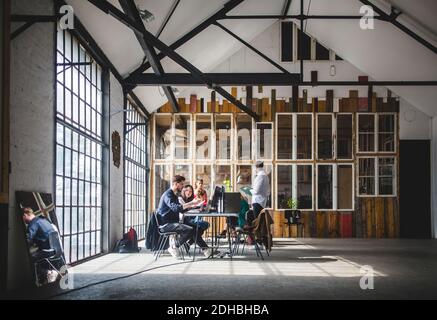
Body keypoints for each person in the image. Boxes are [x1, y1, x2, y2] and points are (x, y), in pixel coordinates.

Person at [156, 175, 213, 259]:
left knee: (195, 227)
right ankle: (174, 246)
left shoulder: (174, 195)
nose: (183, 187)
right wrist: (192, 203)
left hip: (173, 222)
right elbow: (176, 208)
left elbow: (181, 210)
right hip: (166, 224)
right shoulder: (168, 195)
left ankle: (206, 250)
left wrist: (193, 205)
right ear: (176, 184)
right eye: (182, 184)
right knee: (191, 229)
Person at [22, 207, 58, 283]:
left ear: (25, 215)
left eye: (23, 218)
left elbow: (27, 240)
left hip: (47, 251)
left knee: (27, 260)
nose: (24, 221)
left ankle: (49, 273)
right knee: (35, 253)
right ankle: (44, 276)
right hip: (56, 249)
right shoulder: (44, 219)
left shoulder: (33, 224)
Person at [178, 185, 211, 249]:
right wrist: (193, 205)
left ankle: (188, 244)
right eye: (187, 190)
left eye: (190, 191)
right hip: (181, 221)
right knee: (197, 228)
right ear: (183, 191)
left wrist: (196, 207)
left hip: (187, 220)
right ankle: (206, 249)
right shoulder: (180, 199)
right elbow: (182, 210)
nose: (189, 192)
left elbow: (188, 210)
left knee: (200, 230)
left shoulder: (188, 200)